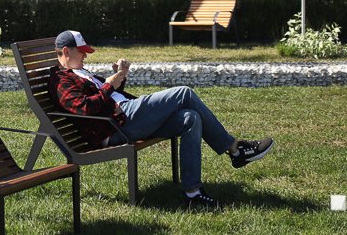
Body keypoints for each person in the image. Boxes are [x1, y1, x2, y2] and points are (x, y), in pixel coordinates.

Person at [48, 30, 273, 210]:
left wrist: (119, 78)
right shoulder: (61, 81)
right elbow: (85, 109)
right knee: (183, 93)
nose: (86, 56)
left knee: (190, 118)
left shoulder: (82, 72)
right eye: (82, 52)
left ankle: (193, 193)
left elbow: (108, 95)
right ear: (66, 51)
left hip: (126, 117)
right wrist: (110, 84)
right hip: (117, 126)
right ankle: (235, 149)